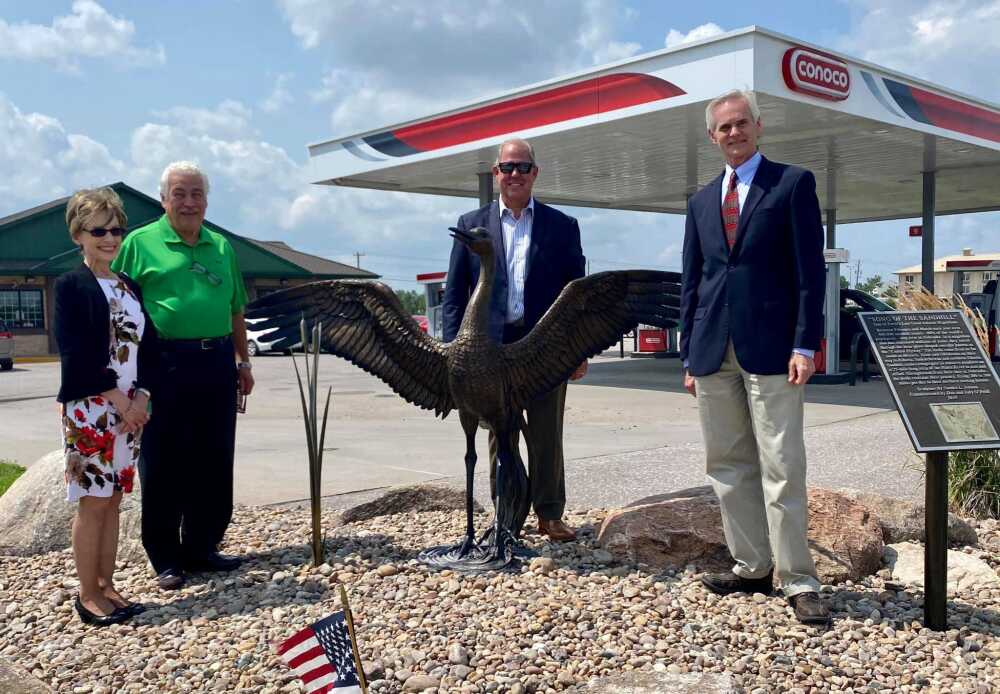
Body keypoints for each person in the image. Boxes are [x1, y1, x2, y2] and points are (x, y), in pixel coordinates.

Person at [679, 90, 830, 625]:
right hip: (711, 350)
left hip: (773, 350)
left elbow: (810, 273)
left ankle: (799, 580)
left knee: (782, 465)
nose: (734, 133)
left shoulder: (791, 184)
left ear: (758, 127)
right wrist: (688, 355)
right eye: (724, 128)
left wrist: (805, 343)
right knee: (726, 465)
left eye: (742, 124)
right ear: (712, 136)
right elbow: (693, 282)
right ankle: (752, 567)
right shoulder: (700, 201)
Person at [112, 161, 254, 590]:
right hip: (163, 365)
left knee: (213, 457)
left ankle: (203, 547)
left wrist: (243, 362)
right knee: (166, 459)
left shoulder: (221, 247)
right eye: (180, 193)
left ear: (207, 201)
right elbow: (117, 309)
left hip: (215, 363)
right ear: (163, 199)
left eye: (196, 194)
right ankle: (165, 557)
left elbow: (236, 309)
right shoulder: (139, 244)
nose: (189, 202)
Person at [442, 137, 586, 542]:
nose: (515, 175)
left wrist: (578, 349)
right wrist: (454, 352)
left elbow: (575, 292)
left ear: (535, 173)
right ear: (496, 174)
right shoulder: (472, 224)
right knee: (498, 434)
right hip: (490, 351)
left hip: (546, 348)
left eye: (523, 167)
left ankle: (549, 513)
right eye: (508, 167)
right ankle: (505, 516)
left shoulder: (562, 227)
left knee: (545, 432)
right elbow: (454, 294)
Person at [55, 187, 157, 625]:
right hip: (91, 410)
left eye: (116, 229)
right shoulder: (72, 285)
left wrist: (142, 397)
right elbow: (74, 352)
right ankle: (86, 594)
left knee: (113, 499)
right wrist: (117, 398)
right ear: (78, 234)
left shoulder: (127, 285)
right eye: (99, 230)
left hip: (130, 412)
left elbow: (147, 347)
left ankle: (107, 585)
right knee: (92, 502)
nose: (110, 238)